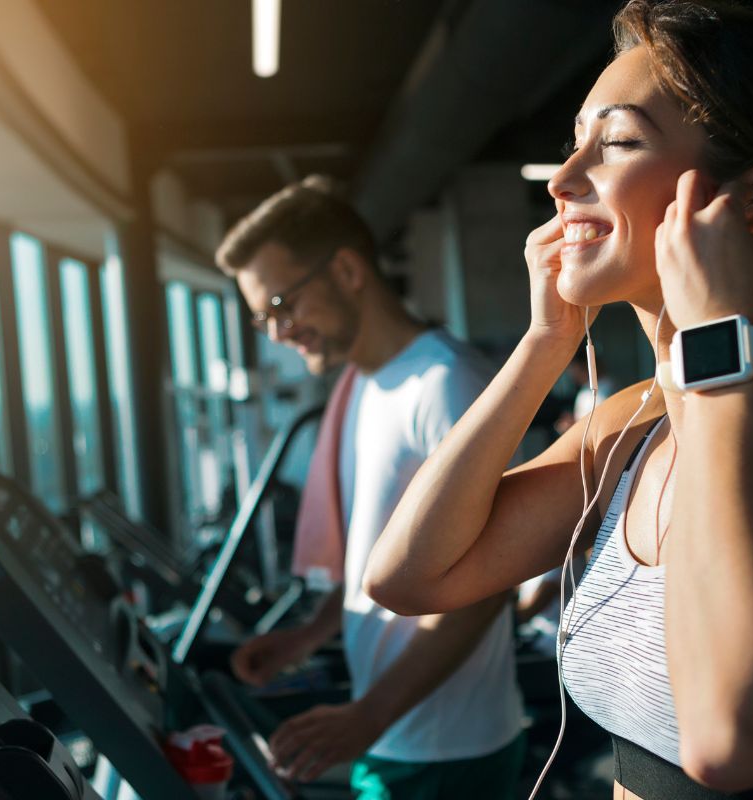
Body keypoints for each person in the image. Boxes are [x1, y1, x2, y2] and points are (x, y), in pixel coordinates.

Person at [363, 2, 753, 798]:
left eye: (617, 143)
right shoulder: (635, 420)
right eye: (573, 143)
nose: (562, 179)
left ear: (750, 201)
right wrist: (543, 345)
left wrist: (723, 348)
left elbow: (730, 741)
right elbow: (411, 577)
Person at [217, 176, 525, 798]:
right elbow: (386, 556)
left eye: (282, 306)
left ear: (348, 271)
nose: (277, 333)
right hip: (396, 738)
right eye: (261, 319)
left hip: (444, 747)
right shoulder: (363, 386)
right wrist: (309, 636)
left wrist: (367, 716)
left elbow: (490, 583)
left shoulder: (446, 384)